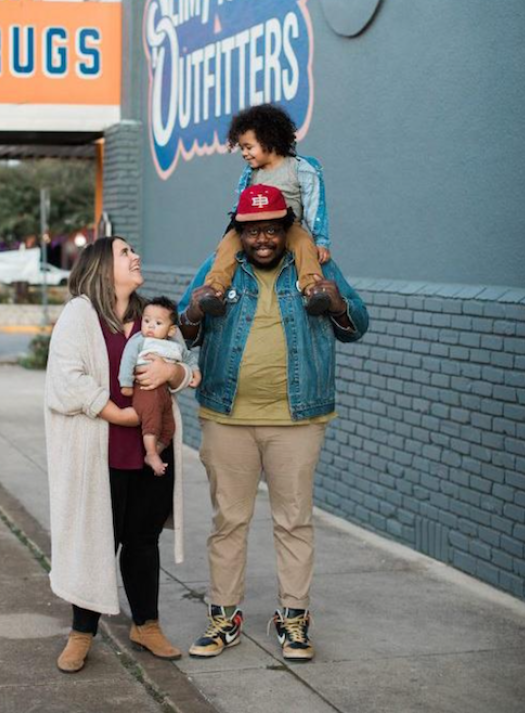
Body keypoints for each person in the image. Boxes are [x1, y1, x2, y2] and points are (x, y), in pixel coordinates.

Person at [178, 185, 368, 662]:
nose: (261, 239)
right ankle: (225, 617)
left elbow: (359, 323)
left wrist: (337, 303)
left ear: (285, 230)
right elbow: (184, 323)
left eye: (270, 229)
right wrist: (197, 309)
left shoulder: (314, 265)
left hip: (297, 419)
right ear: (238, 233)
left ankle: (294, 618)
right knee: (229, 522)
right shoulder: (220, 267)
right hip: (227, 416)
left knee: (294, 521)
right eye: (251, 230)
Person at [45, 237, 191, 674]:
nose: (135, 256)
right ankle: (81, 632)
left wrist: (175, 372)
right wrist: (120, 416)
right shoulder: (80, 315)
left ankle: (146, 625)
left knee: (143, 541)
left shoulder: (153, 314)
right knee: (95, 539)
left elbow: (186, 364)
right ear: (102, 267)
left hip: (151, 451)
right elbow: (66, 381)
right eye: (125, 253)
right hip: (100, 451)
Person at [198, 103, 333, 318]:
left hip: (286, 226)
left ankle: (312, 289)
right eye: (241, 147)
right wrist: (231, 233)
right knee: (225, 246)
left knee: (303, 244)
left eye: (248, 147)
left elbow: (315, 204)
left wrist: (321, 239)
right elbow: (239, 207)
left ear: (269, 140)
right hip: (249, 226)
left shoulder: (299, 168)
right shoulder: (250, 174)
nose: (244, 153)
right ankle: (215, 290)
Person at [119, 296, 201, 475]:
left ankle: (155, 450)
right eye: (146, 321)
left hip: (164, 393)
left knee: (169, 427)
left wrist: (194, 370)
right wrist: (125, 382)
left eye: (157, 323)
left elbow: (188, 357)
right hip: (145, 389)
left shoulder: (174, 345)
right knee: (152, 421)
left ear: (171, 330)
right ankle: (150, 452)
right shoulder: (139, 340)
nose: (149, 326)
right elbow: (128, 359)